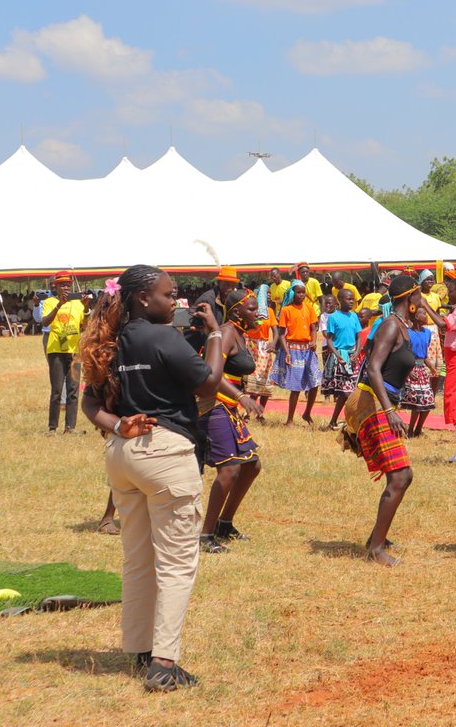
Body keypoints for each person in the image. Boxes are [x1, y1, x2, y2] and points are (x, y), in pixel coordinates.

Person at [79, 265, 261, 691]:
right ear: (143, 298)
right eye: (168, 295)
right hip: (165, 454)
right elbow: (209, 382)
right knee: (177, 563)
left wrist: (119, 426)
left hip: (124, 455)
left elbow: (89, 403)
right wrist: (215, 333)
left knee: (138, 558)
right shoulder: (163, 337)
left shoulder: (112, 341)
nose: (176, 302)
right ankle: (163, 663)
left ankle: (139, 649)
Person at [338, 276, 422, 567]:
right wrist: (389, 411)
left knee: (397, 476)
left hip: (382, 401)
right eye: (420, 294)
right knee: (401, 476)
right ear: (410, 298)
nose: (422, 299)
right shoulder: (389, 325)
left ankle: (377, 537)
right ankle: (375, 548)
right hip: (373, 402)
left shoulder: (401, 326)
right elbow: (373, 368)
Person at [197, 288, 263, 554]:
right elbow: (212, 372)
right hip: (213, 405)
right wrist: (240, 396)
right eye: (251, 308)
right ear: (236, 312)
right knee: (230, 468)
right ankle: (206, 535)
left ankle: (225, 524)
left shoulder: (239, 334)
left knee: (252, 465)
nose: (256, 312)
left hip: (229, 405)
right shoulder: (226, 332)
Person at [420, 277, 456, 464]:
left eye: (451, 290)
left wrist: (425, 305)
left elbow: (444, 324)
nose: (447, 293)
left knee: (454, 405)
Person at [42, 271, 87, 435]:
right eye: (62, 285)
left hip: (74, 351)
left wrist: (87, 308)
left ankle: (70, 427)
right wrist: (59, 305)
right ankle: (52, 428)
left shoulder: (78, 304)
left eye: (68, 284)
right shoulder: (49, 302)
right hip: (56, 351)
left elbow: (86, 326)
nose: (66, 287)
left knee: (74, 390)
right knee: (56, 390)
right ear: (56, 287)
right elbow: (45, 322)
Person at [270, 280, 320, 426]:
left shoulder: (309, 308)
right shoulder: (286, 310)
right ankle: (290, 420)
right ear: (293, 293)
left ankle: (307, 413)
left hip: (308, 350)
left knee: (315, 382)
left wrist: (313, 341)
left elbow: (313, 328)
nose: (301, 295)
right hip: (293, 349)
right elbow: (281, 334)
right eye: (298, 292)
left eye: (303, 292)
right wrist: (286, 352)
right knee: (296, 386)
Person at [324, 287, 364, 429]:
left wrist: (357, 352)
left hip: (353, 357)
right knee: (347, 393)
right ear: (340, 301)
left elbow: (358, 337)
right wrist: (338, 356)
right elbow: (329, 340)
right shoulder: (333, 317)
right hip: (340, 358)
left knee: (347, 393)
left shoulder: (354, 316)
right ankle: (351, 422)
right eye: (348, 299)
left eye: (352, 298)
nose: (351, 301)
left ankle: (334, 421)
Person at [399, 308, 436, 437]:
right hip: (411, 368)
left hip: (422, 369)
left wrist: (432, 367)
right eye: (423, 314)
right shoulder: (407, 333)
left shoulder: (427, 332)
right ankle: (410, 430)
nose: (426, 316)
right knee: (417, 403)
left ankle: (418, 429)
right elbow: (402, 353)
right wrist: (408, 372)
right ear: (415, 317)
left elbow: (424, 354)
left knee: (429, 401)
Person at [186, 266, 240, 351]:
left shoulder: (229, 299)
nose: (230, 289)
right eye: (227, 284)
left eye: (233, 286)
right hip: (200, 347)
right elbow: (195, 330)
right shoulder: (206, 301)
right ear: (218, 283)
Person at [242, 297, 278, 418]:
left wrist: (273, 343)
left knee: (266, 380)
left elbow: (275, 331)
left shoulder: (269, 312)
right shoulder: (251, 311)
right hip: (252, 346)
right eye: (265, 293)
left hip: (264, 347)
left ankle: (260, 413)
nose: (268, 296)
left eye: (269, 293)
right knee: (255, 381)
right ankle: (248, 412)